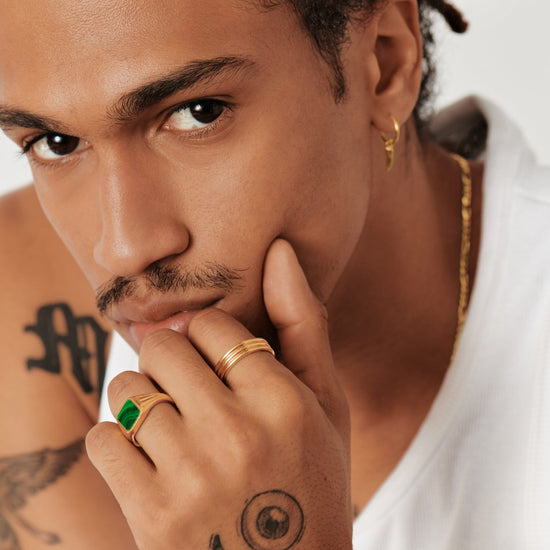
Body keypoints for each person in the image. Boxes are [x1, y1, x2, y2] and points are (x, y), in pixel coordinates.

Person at [0, 0, 548, 548]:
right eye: (55, 143)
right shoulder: (23, 295)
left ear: (385, 63)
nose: (122, 250)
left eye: (198, 113)